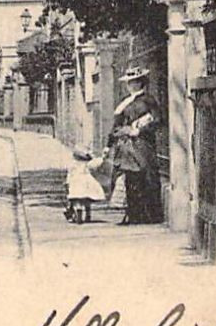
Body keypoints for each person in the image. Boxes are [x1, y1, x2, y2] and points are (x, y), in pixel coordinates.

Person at [107, 65, 163, 225]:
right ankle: (133, 214)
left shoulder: (148, 100)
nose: (131, 85)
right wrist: (108, 144)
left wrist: (139, 131)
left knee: (145, 176)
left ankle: (149, 215)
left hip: (142, 144)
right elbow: (116, 125)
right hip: (125, 145)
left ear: (141, 82)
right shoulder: (125, 102)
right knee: (128, 178)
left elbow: (158, 120)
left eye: (134, 82)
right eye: (129, 82)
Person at [64, 147, 107, 224]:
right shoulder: (87, 164)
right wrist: (103, 157)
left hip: (76, 182)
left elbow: (69, 174)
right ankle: (88, 215)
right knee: (87, 199)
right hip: (86, 181)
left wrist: (67, 182)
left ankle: (79, 215)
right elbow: (96, 164)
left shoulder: (72, 165)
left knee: (77, 199)